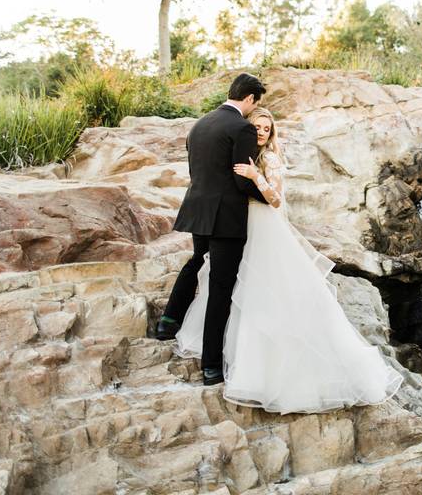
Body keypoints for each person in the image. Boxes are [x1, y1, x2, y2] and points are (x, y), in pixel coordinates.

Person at [171, 106, 404, 413]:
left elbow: (276, 198)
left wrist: (256, 176)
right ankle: (233, 354)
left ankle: (268, 368)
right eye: (257, 126)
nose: (261, 132)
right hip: (235, 225)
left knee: (264, 289)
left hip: (262, 227)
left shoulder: (267, 158)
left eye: (267, 129)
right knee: (234, 287)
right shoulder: (237, 151)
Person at [156, 72, 269, 387]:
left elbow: (196, 171)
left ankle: (167, 323)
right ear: (249, 99)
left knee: (195, 261)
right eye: (253, 105)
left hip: (198, 209)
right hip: (226, 218)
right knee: (220, 289)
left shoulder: (199, 124)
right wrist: (269, 198)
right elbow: (240, 179)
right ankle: (211, 367)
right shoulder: (241, 127)